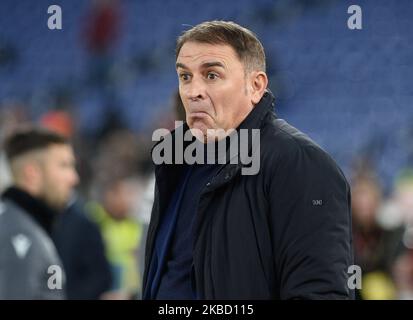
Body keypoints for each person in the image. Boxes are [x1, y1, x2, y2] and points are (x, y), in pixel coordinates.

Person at [142, 21, 353, 300]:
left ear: (256, 86)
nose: (193, 92)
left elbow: (320, 293)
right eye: (185, 77)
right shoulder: (174, 162)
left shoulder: (301, 164)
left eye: (212, 75)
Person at [0, 127, 79, 299]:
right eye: (64, 166)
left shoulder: (25, 224)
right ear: (32, 174)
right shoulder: (19, 234)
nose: (74, 178)